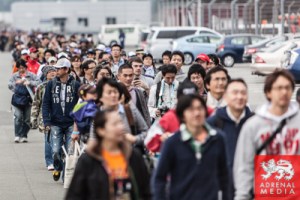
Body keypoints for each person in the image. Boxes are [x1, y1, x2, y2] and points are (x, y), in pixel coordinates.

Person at [234, 70, 300, 200]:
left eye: (288, 88)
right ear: (268, 92)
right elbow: (244, 167)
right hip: (265, 194)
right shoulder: (253, 125)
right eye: (279, 88)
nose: (284, 92)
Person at [152, 94, 230, 200]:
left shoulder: (218, 138)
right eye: (191, 109)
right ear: (182, 115)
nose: (197, 113)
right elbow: (159, 178)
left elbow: (224, 176)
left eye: (200, 108)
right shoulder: (173, 142)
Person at [66, 109, 151, 200]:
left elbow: (147, 192)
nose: (121, 127)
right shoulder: (88, 160)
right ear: (101, 130)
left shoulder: (134, 156)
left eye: (121, 123)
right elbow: (74, 195)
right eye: (115, 124)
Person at [207, 78, 253, 200]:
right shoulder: (212, 123)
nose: (239, 96)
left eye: (243, 93)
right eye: (235, 92)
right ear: (226, 96)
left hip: (250, 189)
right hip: (221, 189)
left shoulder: (255, 123)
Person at [42, 58, 80, 181]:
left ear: (66, 69)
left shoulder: (76, 85)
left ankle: (66, 176)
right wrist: (46, 121)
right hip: (55, 123)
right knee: (55, 150)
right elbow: (46, 103)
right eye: (56, 68)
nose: (56, 70)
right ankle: (57, 167)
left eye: (59, 68)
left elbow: (80, 104)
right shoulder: (51, 84)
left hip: (71, 123)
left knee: (69, 151)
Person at [88, 78, 149, 153]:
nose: (113, 95)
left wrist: (134, 139)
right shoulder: (98, 115)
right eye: (109, 92)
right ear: (100, 97)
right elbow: (93, 140)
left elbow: (146, 133)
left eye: (115, 92)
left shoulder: (129, 110)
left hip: (129, 157)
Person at [145, 81, 198, 153]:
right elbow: (148, 141)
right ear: (178, 98)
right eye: (185, 99)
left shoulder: (206, 113)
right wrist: (161, 138)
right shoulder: (170, 117)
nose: (189, 103)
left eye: (193, 99)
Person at [30, 66, 57, 171]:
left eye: (54, 71)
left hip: (58, 116)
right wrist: (33, 118)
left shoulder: (60, 85)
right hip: (45, 117)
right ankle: (49, 161)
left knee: (57, 139)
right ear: (46, 74)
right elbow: (36, 103)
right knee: (48, 139)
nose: (53, 73)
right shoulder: (41, 87)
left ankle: (57, 160)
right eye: (50, 72)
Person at [8, 59, 40, 143]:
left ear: (26, 67)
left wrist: (29, 82)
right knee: (18, 117)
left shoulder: (31, 75)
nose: (21, 69)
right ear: (17, 68)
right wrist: (16, 83)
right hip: (17, 99)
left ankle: (24, 135)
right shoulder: (14, 76)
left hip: (28, 99)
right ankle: (17, 135)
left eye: (23, 67)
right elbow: (9, 85)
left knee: (27, 119)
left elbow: (39, 82)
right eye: (20, 68)